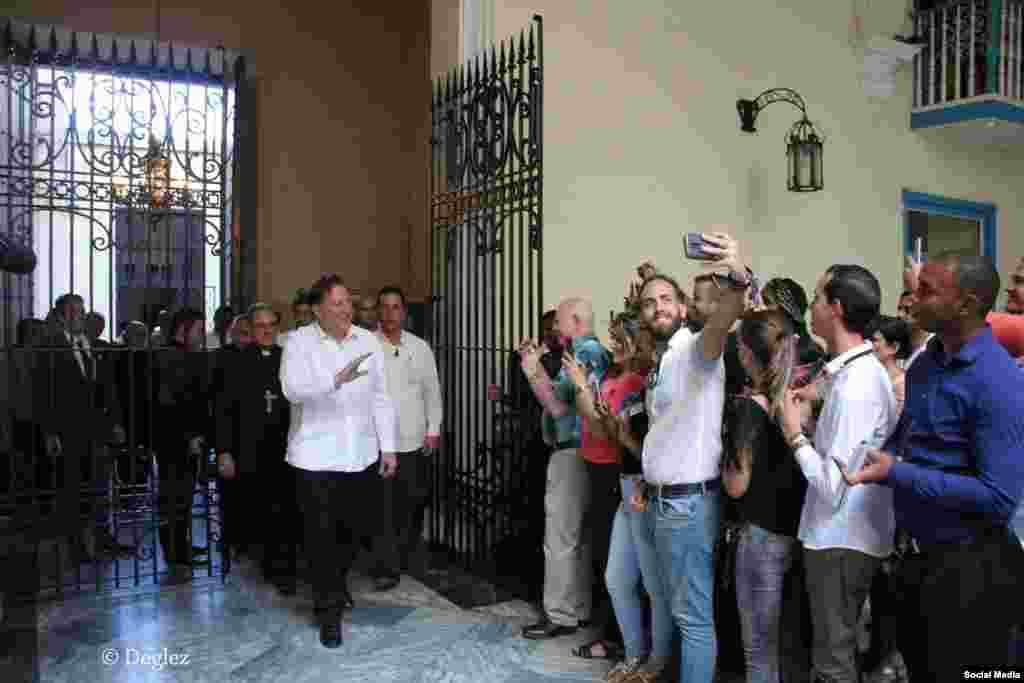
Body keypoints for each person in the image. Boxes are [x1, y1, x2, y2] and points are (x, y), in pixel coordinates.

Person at [843, 252, 1024, 682]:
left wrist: (896, 472)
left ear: (966, 304)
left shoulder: (998, 382)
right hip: (915, 564)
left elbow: (998, 498)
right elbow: (911, 441)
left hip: (971, 573)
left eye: (927, 291)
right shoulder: (926, 363)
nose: (912, 298)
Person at [778, 265, 899, 683]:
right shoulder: (850, 373)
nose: (810, 307)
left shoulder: (857, 385)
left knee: (833, 661)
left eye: (815, 298)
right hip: (837, 535)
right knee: (831, 652)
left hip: (841, 538)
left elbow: (835, 484)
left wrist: (795, 435)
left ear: (836, 308)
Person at [639, 231, 750, 683]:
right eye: (649, 303)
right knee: (677, 610)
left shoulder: (696, 350)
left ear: (684, 307)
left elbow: (723, 321)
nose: (658, 307)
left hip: (687, 506)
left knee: (694, 620)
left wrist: (738, 277)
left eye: (667, 299)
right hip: (664, 501)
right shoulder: (665, 359)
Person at [280, 274, 398, 649]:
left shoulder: (367, 341)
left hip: (359, 455)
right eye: (337, 303)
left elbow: (382, 397)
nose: (346, 309)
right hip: (315, 458)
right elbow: (292, 390)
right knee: (320, 539)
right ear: (317, 309)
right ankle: (328, 612)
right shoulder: (298, 342)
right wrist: (335, 380)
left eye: (348, 302)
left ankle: (336, 583)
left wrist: (389, 448)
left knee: (352, 533)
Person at [722, 309, 808, 683]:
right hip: (797, 530)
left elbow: (736, 484)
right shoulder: (801, 399)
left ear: (744, 353)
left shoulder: (748, 409)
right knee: (786, 644)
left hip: (760, 535)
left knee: (758, 650)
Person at [584, 312, 671, 683]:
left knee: (654, 584)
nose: (614, 345)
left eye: (622, 339)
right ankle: (635, 654)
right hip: (627, 485)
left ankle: (657, 662)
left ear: (642, 343)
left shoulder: (648, 383)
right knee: (618, 578)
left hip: (644, 488)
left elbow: (653, 449)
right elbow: (616, 437)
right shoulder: (633, 382)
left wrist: (620, 434)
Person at [518, 297, 610, 641]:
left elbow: (557, 407)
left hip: (571, 453)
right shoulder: (598, 352)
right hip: (589, 453)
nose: (553, 329)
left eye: (557, 322)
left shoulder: (582, 354)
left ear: (574, 320)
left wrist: (532, 370)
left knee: (560, 537)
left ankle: (559, 614)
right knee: (581, 538)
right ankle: (579, 610)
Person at [215, 303, 296, 593]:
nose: (266, 331)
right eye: (260, 326)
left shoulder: (289, 359)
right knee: (256, 511)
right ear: (250, 329)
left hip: (284, 448)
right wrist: (224, 451)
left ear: (278, 327)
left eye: (271, 325)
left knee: (284, 511)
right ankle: (261, 561)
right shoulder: (235, 362)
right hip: (247, 448)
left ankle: (282, 570)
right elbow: (223, 409)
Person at [373, 286, 443, 585]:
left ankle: (408, 557)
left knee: (413, 502)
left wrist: (433, 429)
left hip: (414, 439)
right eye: (385, 307)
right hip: (380, 442)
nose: (390, 314)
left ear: (404, 312)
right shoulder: (367, 345)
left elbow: (432, 392)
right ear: (378, 311)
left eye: (396, 307)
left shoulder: (420, 347)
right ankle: (387, 568)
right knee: (383, 508)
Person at [869, 316, 911, 415]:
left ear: (893, 347)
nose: (869, 345)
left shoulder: (901, 383)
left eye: (874, 340)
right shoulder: (866, 373)